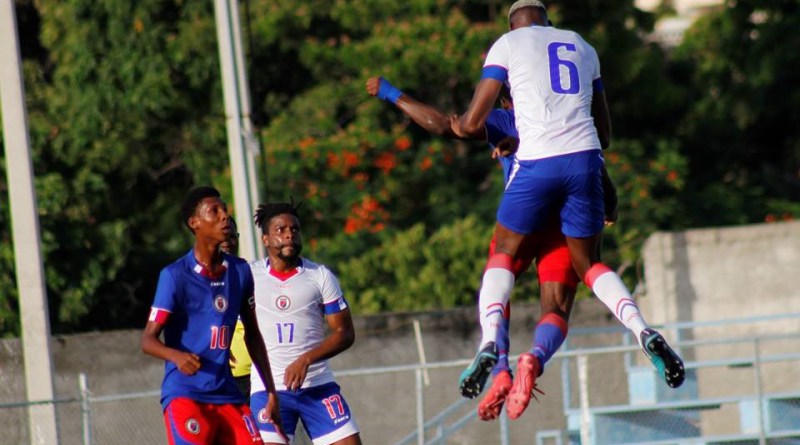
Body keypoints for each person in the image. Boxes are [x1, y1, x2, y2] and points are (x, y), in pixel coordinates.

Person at [451, 0, 685, 419]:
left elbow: (468, 125)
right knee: (588, 266)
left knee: (502, 255)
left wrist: (463, 123)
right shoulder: (581, 45)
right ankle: (641, 329)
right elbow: (604, 132)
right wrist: (605, 188)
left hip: (537, 173)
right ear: (548, 21)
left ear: (513, 24)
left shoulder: (505, 46)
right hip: (585, 165)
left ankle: (491, 348)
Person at [367, 75, 593, 421]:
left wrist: (391, 93)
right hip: (565, 221)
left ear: (506, 101)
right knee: (557, 307)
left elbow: (443, 126)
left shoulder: (507, 118)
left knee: (497, 286)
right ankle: (533, 356)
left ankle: (500, 367)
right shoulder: (571, 116)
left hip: (522, 219)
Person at [141, 186, 287, 445]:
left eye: (225, 210)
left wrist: (271, 391)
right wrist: (177, 356)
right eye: (214, 211)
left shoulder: (240, 271)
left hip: (228, 394)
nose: (224, 216)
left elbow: (253, 334)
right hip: (187, 394)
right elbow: (148, 340)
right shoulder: (175, 276)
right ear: (194, 223)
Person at [249, 201, 362, 445]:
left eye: (295, 229)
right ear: (265, 240)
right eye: (280, 230)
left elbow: (344, 332)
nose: (289, 234)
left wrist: (306, 360)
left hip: (318, 386)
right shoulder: (249, 275)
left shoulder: (321, 275)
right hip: (269, 391)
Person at [220, 217, 254, 402]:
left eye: (233, 236)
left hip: (257, 378)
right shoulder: (198, 279)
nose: (228, 242)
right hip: (222, 376)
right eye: (223, 236)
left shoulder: (247, 272)